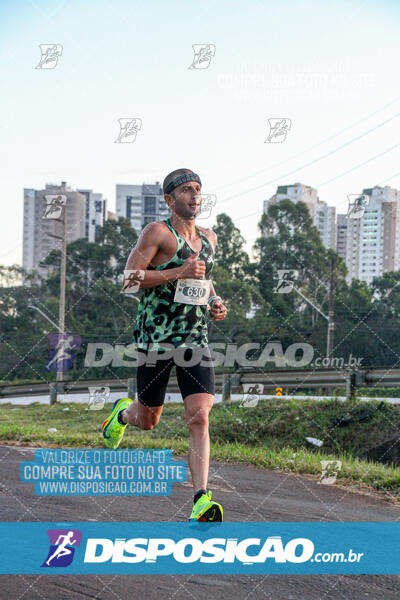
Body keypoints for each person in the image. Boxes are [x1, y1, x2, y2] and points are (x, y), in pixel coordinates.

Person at [102, 168, 228, 522]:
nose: (194, 195)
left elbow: (205, 280)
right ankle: (123, 414)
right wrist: (177, 273)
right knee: (148, 419)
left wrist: (215, 302)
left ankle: (201, 499)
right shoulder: (157, 232)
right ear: (170, 199)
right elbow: (128, 282)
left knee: (199, 416)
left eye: (198, 189)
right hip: (155, 338)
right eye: (186, 190)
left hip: (195, 339)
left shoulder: (209, 237)